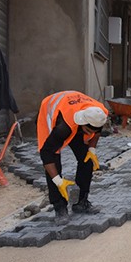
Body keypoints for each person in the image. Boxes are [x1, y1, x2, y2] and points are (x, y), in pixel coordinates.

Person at [36, 91, 109, 225]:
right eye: (88, 132)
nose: (90, 134)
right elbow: (46, 154)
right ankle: (59, 207)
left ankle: (81, 202)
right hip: (51, 112)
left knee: (87, 160)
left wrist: (91, 150)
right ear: (83, 124)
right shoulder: (63, 128)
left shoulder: (100, 113)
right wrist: (59, 181)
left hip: (76, 111)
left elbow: (97, 132)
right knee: (54, 163)